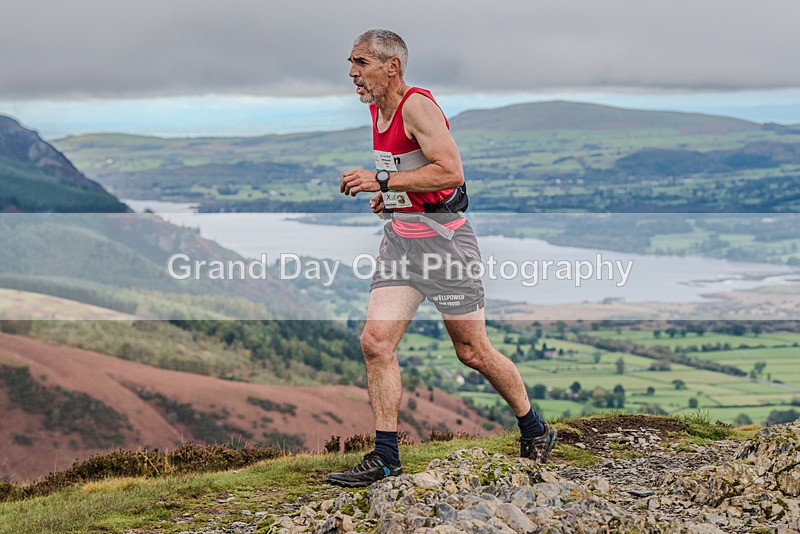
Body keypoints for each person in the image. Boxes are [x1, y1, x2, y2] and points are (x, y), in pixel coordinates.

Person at [327, 29, 556, 488]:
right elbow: (412, 176)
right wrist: (391, 199)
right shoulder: (378, 109)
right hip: (401, 242)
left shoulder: (416, 105)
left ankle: (535, 427)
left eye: (361, 63)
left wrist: (382, 183)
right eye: (350, 63)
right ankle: (387, 456)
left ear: (392, 66)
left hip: (444, 247)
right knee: (375, 343)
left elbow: (451, 171)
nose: (352, 73)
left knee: (472, 351)